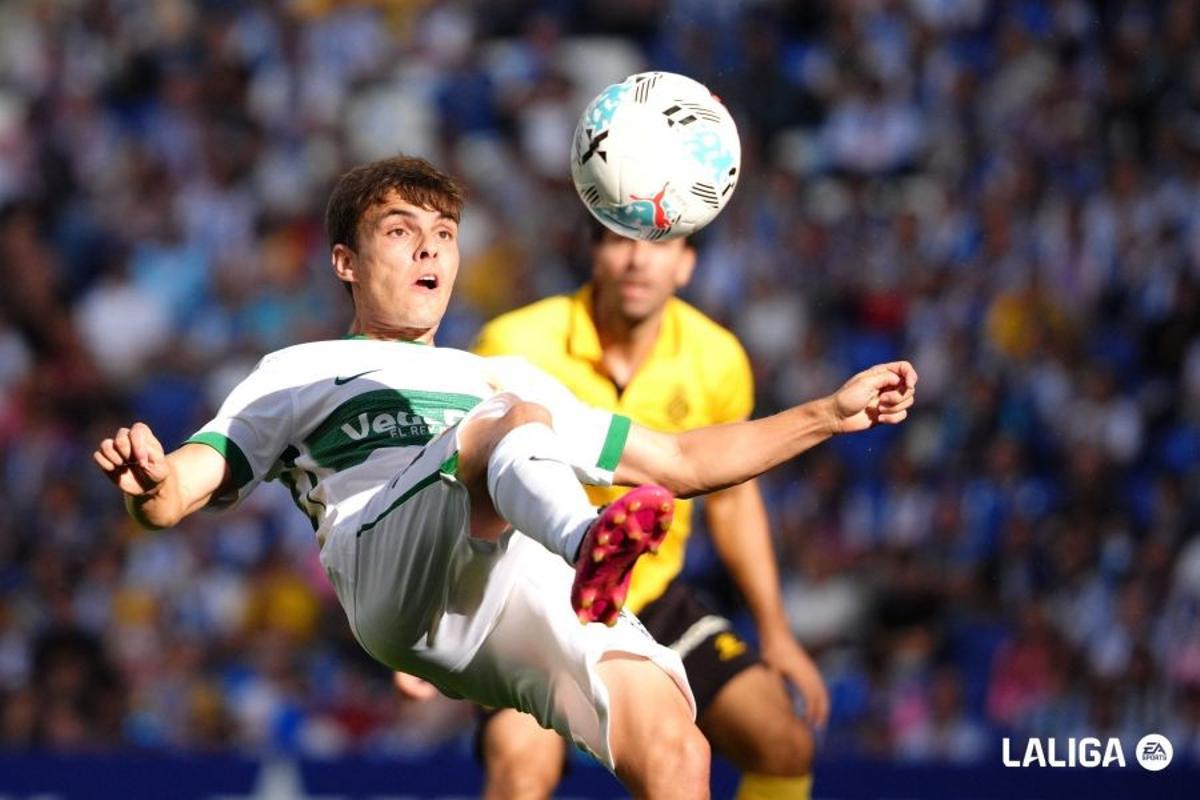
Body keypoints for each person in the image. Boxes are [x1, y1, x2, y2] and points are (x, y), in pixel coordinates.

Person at [92, 156, 917, 799]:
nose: (429, 249)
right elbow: (178, 492)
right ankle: (592, 541)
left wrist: (828, 415)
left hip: (512, 586)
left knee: (676, 748)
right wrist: (148, 485)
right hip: (391, 578)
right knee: (510, 426)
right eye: (400, 231)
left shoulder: (491, 373)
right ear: (344, 261)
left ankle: (587, 554)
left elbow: (680, 462)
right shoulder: (299, 370)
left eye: (444, 235)